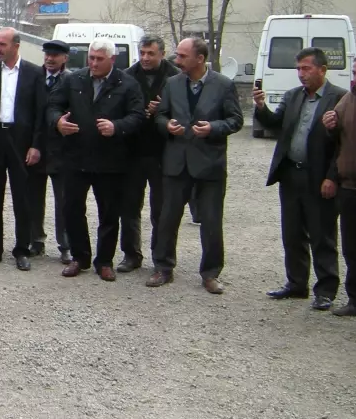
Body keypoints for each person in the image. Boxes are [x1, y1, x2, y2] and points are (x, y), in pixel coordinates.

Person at [147, 37, 242, 294]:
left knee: (211, 221)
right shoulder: (172, 83)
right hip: (176, 163)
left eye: (182, 56)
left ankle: (210, 273)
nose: (177, 61)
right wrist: (166, 125)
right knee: (167, 218)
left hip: (209, 164)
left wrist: (213, 128)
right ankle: (163, 268)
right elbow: (161, 115)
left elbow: (235, 120)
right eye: (177, 55)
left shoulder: (223, 85)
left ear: (199, 59)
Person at [254, 48, 344, 310]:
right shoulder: (293, 96)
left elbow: (344, 144)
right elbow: (275, 124)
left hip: (319, 177)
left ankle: (326, 290)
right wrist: (261, 107)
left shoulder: (339, 97)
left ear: (322, 70)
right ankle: (296, 284)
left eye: (306, 68)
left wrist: (332, 177)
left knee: (322, 234)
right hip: (291, 173)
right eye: (299, 69)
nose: (301, 74)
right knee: (292, 233)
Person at [47, 39, 145, 280]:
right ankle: (80, 257)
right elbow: (52, 106)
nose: (93, 63)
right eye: (91, 57)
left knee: (109, 213)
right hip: (75, 157)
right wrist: (58, 122)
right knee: (72, 209)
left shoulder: (127, 84)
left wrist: (117, 126)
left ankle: (104, 261)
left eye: (99, 59)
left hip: (110, 160)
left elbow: (137, 116)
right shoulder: (74, 80)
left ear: (113, 59)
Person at [0, 27, 46, 270]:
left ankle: (22, 249)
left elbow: (40, 113)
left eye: (3, 44)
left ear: (16, 45)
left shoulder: (34, 73)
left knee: (22, 197)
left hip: (20, 139)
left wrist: (36, 145)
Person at [118, 36, 180, 273]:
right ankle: (131, 255)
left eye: (150, 53)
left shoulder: (175, 76)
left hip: (163, 152)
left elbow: (183, 111)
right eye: (142, 52)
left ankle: (161, 257)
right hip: (132, 152)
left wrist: (163, 109)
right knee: (129, 207)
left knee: (162, 211)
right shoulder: (127, 75)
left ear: (161, 54)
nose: (145, 57)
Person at [29, 39, 71, 262]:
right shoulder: (33, 77)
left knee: (63, 199)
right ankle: (36, 240)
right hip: (35, 145)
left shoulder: (72, 79)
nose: (49, 58)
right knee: (34, 197)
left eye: (55, 55)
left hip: (61, 148)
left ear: (65, 58)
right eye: (47, 54)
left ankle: (65, 244)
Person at [322, 58, 356, 317]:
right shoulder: (347, 100)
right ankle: (355, 300)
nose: (355, 79)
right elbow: (337, 144)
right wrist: (330, 127)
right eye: (354, 73)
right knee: (352, 248)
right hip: (350, 188)